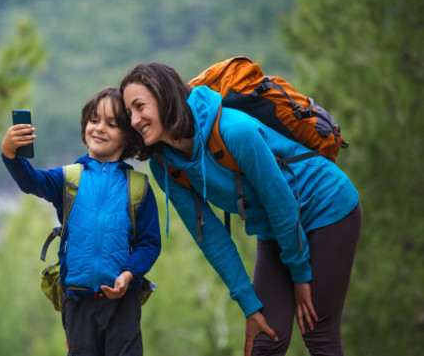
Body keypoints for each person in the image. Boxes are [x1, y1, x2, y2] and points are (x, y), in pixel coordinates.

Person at [120, 62, 362, 356]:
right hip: (276, 227)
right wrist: (249, 304)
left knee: (317, 331)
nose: (133, 119)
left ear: (164, 96)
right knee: (264, 340)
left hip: (326, 204)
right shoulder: (164, 165)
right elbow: (210, 237)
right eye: (129, 112)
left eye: (139, 106)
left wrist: (300, 273)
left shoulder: (235, 130)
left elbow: (280, 201)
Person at [1, 87, 161, 356]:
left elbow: (149, 243)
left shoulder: (138, 187)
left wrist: (128, 274)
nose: (99, 128)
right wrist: (10, 154)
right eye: (94, 120)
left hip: (123, 301)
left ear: (128, 136)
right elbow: (31, 181)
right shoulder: (69, 178)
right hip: (76, 300)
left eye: (111, 124)